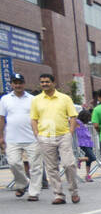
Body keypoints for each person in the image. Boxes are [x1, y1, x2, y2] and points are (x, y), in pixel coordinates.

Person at [30, 73, 80, 205]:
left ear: (53, 83)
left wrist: (70, 131)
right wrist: (37, 134)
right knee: (51, 168)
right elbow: (34, 119)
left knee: (69, 164)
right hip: (45, 137)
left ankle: (74, 191)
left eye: (47, 82)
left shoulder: (65, 98)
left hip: (63, 135)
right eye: (42, 82)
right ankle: (59, 195)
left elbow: (73, 116)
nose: (44, 84)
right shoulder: (36, 100)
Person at [0, 72, 39, 200]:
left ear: (24, 84)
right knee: (13, 163)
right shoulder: (5, 99)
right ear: (11, 84)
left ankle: (34, 192)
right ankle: (22, 183)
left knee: (35, 166)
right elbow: (1, 118)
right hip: (11, 138)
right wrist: (1, 136)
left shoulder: (33, 99)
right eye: (15, 83)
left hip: (32, 138)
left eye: (20, 83)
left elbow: (38, 118)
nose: (18, 85)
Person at [74, 107, 97, 182]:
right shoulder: (78, 122)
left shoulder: (84, 124)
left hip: (89, 143)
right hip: (83, 144)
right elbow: (71, 119)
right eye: (88, 117)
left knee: (89, 160)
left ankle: (88, 176)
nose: (89, 119)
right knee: (93, 157)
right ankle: (79, 159)